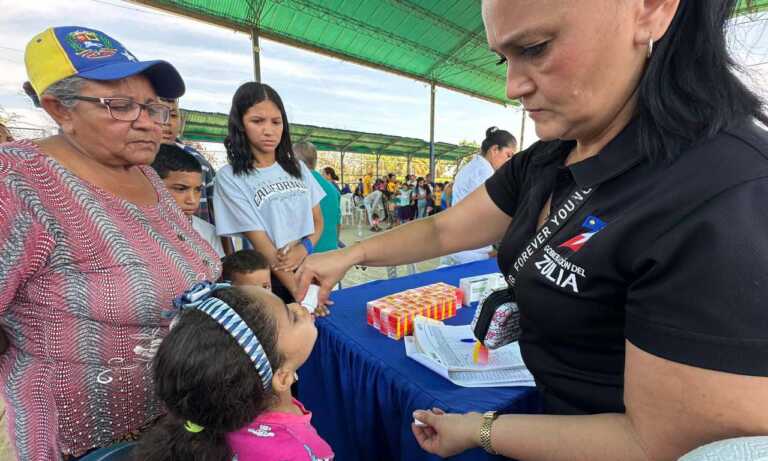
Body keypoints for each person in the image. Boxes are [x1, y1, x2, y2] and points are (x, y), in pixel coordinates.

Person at [297, 1, 768, 459]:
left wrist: (479, 429)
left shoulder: (724, 192)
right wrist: (350, 255)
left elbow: (657, 444)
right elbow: (443, 230)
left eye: (537, 47)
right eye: (503, 57)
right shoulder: (551, 155)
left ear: (650, 9)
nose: (511, 86)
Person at [0, 26, 220, 459]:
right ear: (58, 109)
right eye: (119, 105)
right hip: (85, 437)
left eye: (155, 108)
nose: (147, 121)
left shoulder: (145, 175)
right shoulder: (19, 184)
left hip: (171, 423)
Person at [135, 283, 334, 461]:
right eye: (292, 318)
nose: (296, 307)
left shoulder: (205, 415)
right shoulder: (300, 452)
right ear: (282, 377)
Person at [213, 82, 327, 313]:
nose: (269, 130)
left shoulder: (298, 168)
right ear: (240, 124)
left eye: (276, 122)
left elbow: (318, 221)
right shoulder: (230, 177)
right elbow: (263, 245)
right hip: (271, 279)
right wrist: (299, 292)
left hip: (309, 268)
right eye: (257, 121)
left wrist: (304, 248)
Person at [445, 127, 517, 265]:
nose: (509, 161)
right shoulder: (483, 173)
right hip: (469, 249)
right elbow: (495, 213)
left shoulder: (475, 167)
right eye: (508, 155)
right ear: (494, 149)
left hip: (466, 245)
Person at [151, 143, 225, 257]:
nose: (192, 200)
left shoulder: (208, 233)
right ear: (152, 184)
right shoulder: (133, 230)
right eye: (181, 189)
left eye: (198, 190)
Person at [294, 141, 341, 253]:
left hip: (305, 255)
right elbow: (338, 223)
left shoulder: (295, 185)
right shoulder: (332, 189)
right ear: (315, 161)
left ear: (294, 160)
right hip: (330, 252)